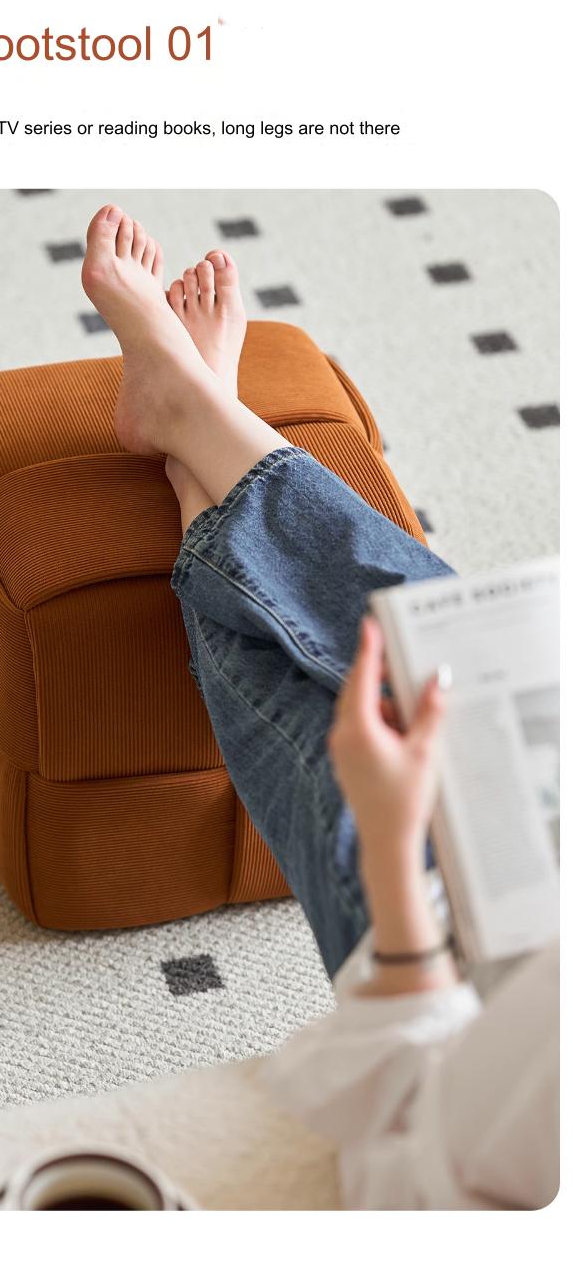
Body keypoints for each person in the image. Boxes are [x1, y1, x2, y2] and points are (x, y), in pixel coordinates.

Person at [80, 204, 559, 1210]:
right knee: (448, 642)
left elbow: (401, 1157)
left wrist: (388, 844)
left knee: (373, 676)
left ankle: (192, 416)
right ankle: (192, 416)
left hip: (446, 951)